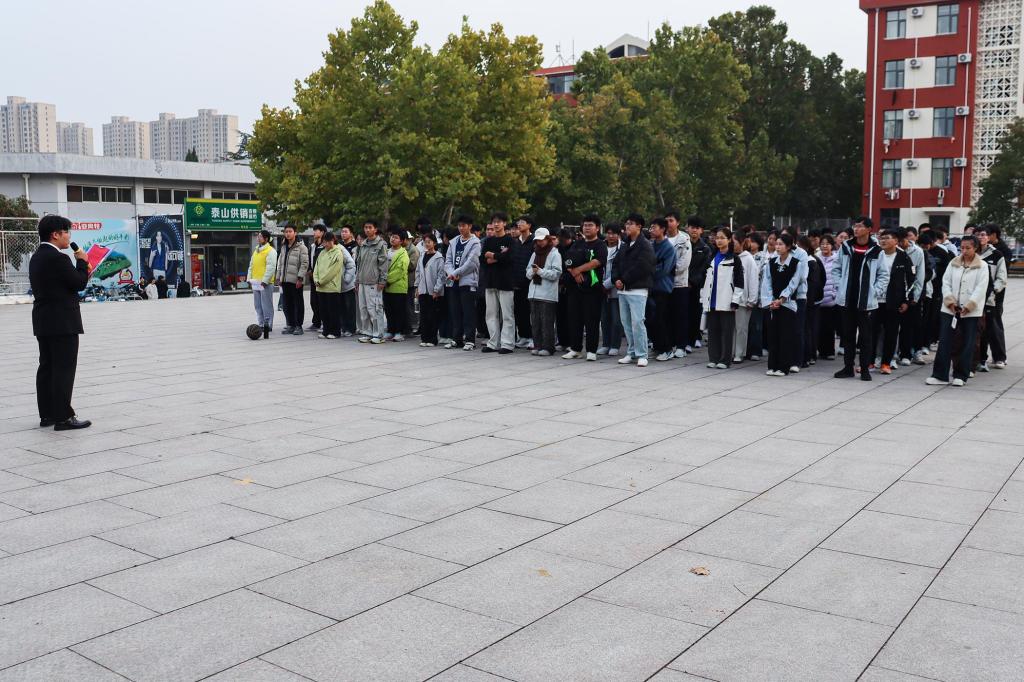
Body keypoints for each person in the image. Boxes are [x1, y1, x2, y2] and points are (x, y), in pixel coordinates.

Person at [29, 215, 92, 430]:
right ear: (55, 235)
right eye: (66, 232)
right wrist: (82, 261)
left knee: (47, 367)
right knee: (63, 368)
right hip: (63, 321)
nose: (69, 237)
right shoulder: (59, 258)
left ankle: (47, 414)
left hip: (44, 320)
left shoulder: (37, 257)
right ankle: (63, 417)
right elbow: (78, 283)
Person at [927, 236, 989, 386]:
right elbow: (946, 282)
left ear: (975, 248)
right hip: (950, 309)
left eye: (968, 248)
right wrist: (950, 301)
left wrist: (969, 305)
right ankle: (940, 375)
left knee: (967, 343)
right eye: (962, 248)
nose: (964, 251)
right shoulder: (953, 263)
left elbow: (981, 288)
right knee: (945, 341)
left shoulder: (982, 266)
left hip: (970, 311)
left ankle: (961, 375)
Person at [833, 217, 888, 381]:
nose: (856, 229)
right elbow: (836, 268)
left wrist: (875, 291)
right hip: (847, 299)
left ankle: (864, 369)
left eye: (860, 226)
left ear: (869, 229)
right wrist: (840, 286)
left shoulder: (876, 250)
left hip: (866, 301)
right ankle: (848, 367)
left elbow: (883, 275)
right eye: (855, 226)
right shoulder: (846, 247)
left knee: (866, 337)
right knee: (848, 335)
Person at [562, 214, 609, 361]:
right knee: (574, 319)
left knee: (591, 320)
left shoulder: (600, 245)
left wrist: (579, 269)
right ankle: (575, 349)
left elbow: (597, 262)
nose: (587, 228)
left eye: (590, 225)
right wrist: (574, 273)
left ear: (597, 228)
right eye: (585, 225)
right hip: (575, 288)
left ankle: (591, 350)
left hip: (593, 289)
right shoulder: (577, 244)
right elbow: (568, 260)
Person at [612, 214, 655, 367]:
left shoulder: (645, 245)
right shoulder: (625, 244)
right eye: (626, 223)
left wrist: (624, 279)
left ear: (639, 226)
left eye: (631, 223)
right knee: (626, 323)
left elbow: (643, 267)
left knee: (638, 322)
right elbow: (616, 263)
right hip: (623, 290)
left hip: (637, 289)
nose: (627, 226)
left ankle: (642, 354)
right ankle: (631, 352)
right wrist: (616, 279)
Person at [701, 227, 744, 369]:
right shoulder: (712, 257)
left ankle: (725, 360)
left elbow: (739, 282)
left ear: (729, 240)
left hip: (727, 300)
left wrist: (735, 300)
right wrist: (703, 296)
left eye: (722, 238)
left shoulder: (734, 259)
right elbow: (705, 278)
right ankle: (713, 358)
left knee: (726, 332)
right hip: (711, 300)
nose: (718, 240)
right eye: (717, 238)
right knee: (713, 331)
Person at [874, 229, 915, 375]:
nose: (883, 240)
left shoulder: (903, 257)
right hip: (875, 300)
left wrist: (906, 300)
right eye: (881, 238)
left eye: (887, 238)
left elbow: (910, 281)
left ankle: (886, 362)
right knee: (871, 332)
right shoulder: (875, 255)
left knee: (891, 333)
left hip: (894, 301)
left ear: (896, 241)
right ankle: (870, 361)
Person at [761, 233, 800, 376]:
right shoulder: (771, 262)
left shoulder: (796, 263)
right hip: (773, 303)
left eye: (781, 244)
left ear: (788, 246)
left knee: (785, 336)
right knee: (773, 335)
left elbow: (794, 283)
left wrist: (782, 299)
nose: (777, 247)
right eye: (776, 244)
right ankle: (772, 366)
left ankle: (783, 367)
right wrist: (771, 300)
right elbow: (767, 282)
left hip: (788, 304)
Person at [480, 212, 517, 354]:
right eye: (494, 222)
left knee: (507, 314)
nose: (496, 224)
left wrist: (494, 256)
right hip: (490, 281)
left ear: (504, 223)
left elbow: (510, 258)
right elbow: (483, 259)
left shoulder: (510, 241)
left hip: (505, 282)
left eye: (499, 221)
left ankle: (507, 344)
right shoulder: (488, 241)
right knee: (491, 314)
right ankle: (493, 343)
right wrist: (499, 257)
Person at [444, 215, 482, 351]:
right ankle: (457, 339)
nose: (461, 228)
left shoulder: (475, 242)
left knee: (468, 312)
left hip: (467, 281)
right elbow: (448, 260)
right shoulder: (454, 241)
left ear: (470, 226)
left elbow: (472, 263)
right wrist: (451, 273)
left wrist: (456, 273)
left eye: (464, 225)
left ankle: (470, 340)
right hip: (453, 282)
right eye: (459, 225)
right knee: (455, 312)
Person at [525, 227, 562, 356]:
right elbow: (528, 271)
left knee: (547, 322)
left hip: (547, 293)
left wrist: (540, 271)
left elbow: (556, 273)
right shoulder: (534, 253)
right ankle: (538, 345)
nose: (539, 242)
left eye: (542, 240)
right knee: (535, 322)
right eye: (537, 240)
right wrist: (533, 272)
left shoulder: (555, 253)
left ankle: (548, 347)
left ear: (548, 239)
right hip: (534, 292)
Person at [977, 227, 1009, 371]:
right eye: (977, 235)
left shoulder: (997, 254)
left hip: (991, 299)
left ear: (989, 237)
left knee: (993, 328)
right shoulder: (970, 252)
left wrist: (992, 291)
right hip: (973, 300)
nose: (980, 237)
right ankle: (978, 358)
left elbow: (1001, 278)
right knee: (977, 330)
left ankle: (999, 357)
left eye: (983, 235)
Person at [648, 218, 677, 362]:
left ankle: (667, 349)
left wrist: (648, 272)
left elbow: (664, 270)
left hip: (663, 288)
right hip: (650, 287)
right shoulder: (650, 245)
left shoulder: (668, 248)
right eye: (651, 227)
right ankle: (657, 347)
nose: (651, 230)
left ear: (663, 229)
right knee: (650, 319)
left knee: (660, 319)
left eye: (654, 227)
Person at [355, 219, 388, 344]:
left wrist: (382, 281)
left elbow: (383, 264)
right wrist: (357, 280)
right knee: (363, 309)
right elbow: (359, 264)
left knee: (374, 309)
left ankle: (379, 334)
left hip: (374, 282)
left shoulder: (381, 245)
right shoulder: (363, 244)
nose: (367, 230)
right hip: (362, 281)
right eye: (366, 227)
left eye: (370, 227)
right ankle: (367, 333)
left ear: (375, 229)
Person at [313, 231, 351, 339]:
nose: (325, 244)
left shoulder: (338, 252)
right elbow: (316, 267)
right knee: (323, 310)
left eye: (327, 242)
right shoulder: (322, 252)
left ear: (332, 241)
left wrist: (321, 281)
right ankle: (326, 330)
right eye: (324, 242)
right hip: (320, 287)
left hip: (332, 286)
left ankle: (335, 331)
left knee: (333, 311)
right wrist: (316, 279)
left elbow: (333, 271)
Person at [899, 227, 928, 366]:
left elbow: (920, 276)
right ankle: (904, 353)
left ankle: (917, 351)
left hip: (914, 293)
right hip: (897, 293)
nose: (900, 243)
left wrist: (915, 296)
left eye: (902, 240)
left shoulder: (918, 251)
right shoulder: (894, 250)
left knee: (915, 325)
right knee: (901, 326)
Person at [666, 211, 692, 358]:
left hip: (679, 283)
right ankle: (669, 344)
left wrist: (667, 271)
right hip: (664, 284)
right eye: (666, 220)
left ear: (677, 223)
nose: (668, 223)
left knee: (680, 316)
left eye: (671, 220)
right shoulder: (661, 239)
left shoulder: (684, 239)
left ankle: (681, 345)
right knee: (667, 316)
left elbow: (683, 263)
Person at [276, 224, 310, 335]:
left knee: (298, 304)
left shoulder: (301, 247)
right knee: (287, 304)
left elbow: (305, 263)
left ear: (295, 233)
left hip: (296, 281)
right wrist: (278, 277)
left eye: (290, 231)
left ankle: (298, 326)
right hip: (285, 280)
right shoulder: (283, 247)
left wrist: (300, 278)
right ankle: (290, 325)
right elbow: (280, 263)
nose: (288, 234)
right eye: (286, 232)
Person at [798, 234, 824, 368]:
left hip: (809, 300)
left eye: (799, 246)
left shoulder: (811, 261)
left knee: (807, 328)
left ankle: (808, 356)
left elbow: (816, 283)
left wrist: (810, 300)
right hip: (801, 300)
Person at [734, 231, 760, 363]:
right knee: (732, 328)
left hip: (743, 300)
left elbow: (753, 280)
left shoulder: (748, 259)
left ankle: (739, 353)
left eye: (734, 242)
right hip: (730, 299)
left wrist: (752, 300)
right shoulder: (730, 257)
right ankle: (731, 351)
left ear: (742, 242)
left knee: (741, 328)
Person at [416, 232, 446, 346]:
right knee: (423, 316)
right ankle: (424, 339)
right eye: (425, 242)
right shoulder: (422, 256)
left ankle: (432, 339)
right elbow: (418, 272)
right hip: (423, 290)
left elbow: (441, 276)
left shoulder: (439, 258)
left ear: (434, 243)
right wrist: (417, 287)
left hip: (433, 291)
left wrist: (436, 290)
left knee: (432, 316)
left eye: (429, 242)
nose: (427, 244)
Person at [686, 216, 711, 351]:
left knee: (695, 312)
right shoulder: (683, 244)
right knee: (682, 313)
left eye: (697, 228)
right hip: (682, 283)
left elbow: (704, 268)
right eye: (692, 227)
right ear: (687, 228)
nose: (694, 230)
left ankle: (694, 338)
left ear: (701, 230)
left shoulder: (705, 248)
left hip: (697, 286)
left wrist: (692, 281)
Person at [247, 229, 278, 338]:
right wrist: (249, 278)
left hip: (265, 283)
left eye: (260, 236)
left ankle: (267, 325)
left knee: (266, 305)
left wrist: (265, 281)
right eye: (258, 236)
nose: (258, 238)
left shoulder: (271, 251)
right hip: (256, 282)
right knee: (258, 305)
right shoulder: (256, 251)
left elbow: (271, 267)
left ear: (266, 239)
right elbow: (251, 266)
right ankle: (260, 324)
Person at [598, 224, 623, 356]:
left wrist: (607, 284)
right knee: (604, 318)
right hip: (600, 288)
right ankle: (605, 344)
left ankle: (615, 345)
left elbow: (620, 269)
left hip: (615, 287)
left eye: (614, 233)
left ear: (619, 235)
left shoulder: (623, 248)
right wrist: (600, 284)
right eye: (608, 233)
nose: (611, 236)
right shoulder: (601, 246)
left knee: (616, 319)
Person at [512, 216, 535, 349]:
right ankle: (523, 336)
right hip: (516, 280)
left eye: (522, 222)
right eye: (518, 222)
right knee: (519, 310)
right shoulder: (515, 242)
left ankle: (532, 337)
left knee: (530, 311)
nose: (519, 224)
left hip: (530, 281)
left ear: (529, 225)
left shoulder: (534, 241)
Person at [383, 229, 410, 341]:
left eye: (396, 237)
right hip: (386, 287)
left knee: (399, 311)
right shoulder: (386, 251)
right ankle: (390, 330)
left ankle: (399, 332)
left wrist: (386, 280)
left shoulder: (403, 254)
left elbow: (400, 270)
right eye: (392, 236)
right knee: (389, 310)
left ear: (402, 241)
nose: (393, 239)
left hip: (398, 287)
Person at [817, 235, 839, 360]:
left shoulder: (837, 259)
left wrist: (834, 294)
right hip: (819, 298)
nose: (824, 246)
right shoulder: (816, 258)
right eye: (822, 243)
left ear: (832, 246)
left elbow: (839, 277)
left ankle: (830, 351)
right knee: (819, 326)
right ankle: (821, 350)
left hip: (831, 299)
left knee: (829, 327)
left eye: (827, 244)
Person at [556, 227, 574, 350]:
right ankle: (562, 341)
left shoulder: (575, 248)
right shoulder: (558, 249)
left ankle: (571, 342)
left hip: (571, 284)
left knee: (570, 316)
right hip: (559, 284)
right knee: (560, 315)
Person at [306, 224, 327, 332]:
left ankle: (324, 323)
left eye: (316, 231)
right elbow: (310, 260)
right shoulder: (313, 246)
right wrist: (309, 269)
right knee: (313, 301)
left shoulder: (326, 246)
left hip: (322, 279)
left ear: (322, 232)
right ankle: (316, 322)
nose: (314, 233)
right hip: (313, 278)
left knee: (322, 302)